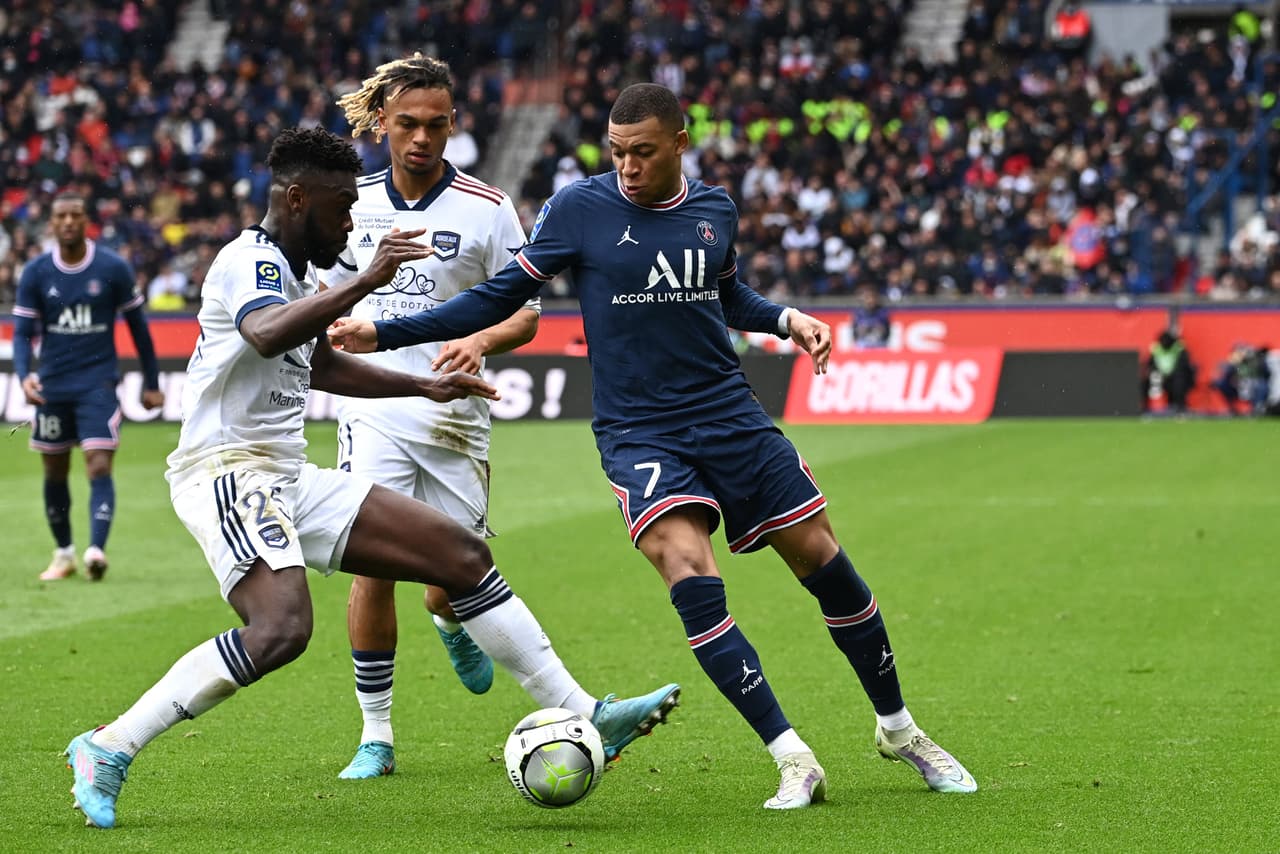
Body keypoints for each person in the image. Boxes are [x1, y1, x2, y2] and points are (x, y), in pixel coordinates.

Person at [330, 84, 977, 809]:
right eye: (617, 153)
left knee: (825, 563)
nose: (628, 167)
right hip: (640, 432)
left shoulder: (714, 209)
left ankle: (899, 730)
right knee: (687, 571)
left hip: (730, 415)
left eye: (642, 152)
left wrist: (787, 317)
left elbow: (728, 296)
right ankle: (792, 757)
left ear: (678, 141)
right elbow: (500, 293)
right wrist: (385, 333)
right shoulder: (578, 209)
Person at [61, 127, 680, 830]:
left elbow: (317, 365)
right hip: (226, 471)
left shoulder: (299, 276)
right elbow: (266, 334)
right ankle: (108, 747)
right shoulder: (249, 261)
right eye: (340, 209)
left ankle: (586, 713)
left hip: (285, 472)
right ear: (296, 200)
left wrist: (424, 390)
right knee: (282, 628)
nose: (352, 222)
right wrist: (365, 280)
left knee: (461, 556)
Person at [321, 54, 542, 779]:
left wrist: (480, 338)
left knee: (453, 574)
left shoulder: (486, 207)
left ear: (454, 124)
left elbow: (528, 313)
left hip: (453, 413)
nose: (422, 138)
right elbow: (317, 298)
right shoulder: (348, 203)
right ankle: (374, 736)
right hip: (371, 404)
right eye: (408, 123)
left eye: (436, 125)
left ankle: (448, 617)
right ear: (381, 121)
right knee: (372, 566)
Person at [12, 191, 165, 582]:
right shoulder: (35, 272)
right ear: (51, 223)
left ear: (86, 221)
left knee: (98, 463)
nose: (67, 223)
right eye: (61, 216)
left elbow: (139, 330)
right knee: (54, 471)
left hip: (97, 384)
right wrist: (23, 374)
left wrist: (151, 381)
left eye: (75, 216)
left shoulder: (113, 268)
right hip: (52, 386)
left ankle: (96, 550)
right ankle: (64, 554)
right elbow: (22, 333)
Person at [1143, 328, 1195, 414]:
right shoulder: (1156, 349)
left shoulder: (1179, 348)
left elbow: (1184, 366)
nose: (1164, 343)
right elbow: (1150, 364)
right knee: (1146, 381)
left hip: (1176, 377)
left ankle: (1179, 406)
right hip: (1160, 378)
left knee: (1179, 380)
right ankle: (1144, 407)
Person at [851, 283, 891, 348]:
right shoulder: (859, 313)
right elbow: (855, 332)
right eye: (867, 298)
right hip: (863, 343)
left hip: (879, 343)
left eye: (872, 298)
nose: (870, 301)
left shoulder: (883, 313)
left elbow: (887, 331)